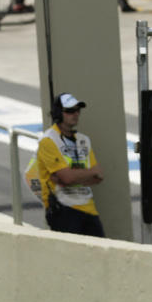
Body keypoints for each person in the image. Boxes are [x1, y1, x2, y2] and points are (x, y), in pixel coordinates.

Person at [36, 93, 105, 237]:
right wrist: (85, 173)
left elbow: (98, 176)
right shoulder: (48, 141)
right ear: (58, 113)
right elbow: (68, 178)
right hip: (63, 209)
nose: (75, 114)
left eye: (77, 110)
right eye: (69, 111)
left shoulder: (83, 140)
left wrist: (71, 177)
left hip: (89, 208)